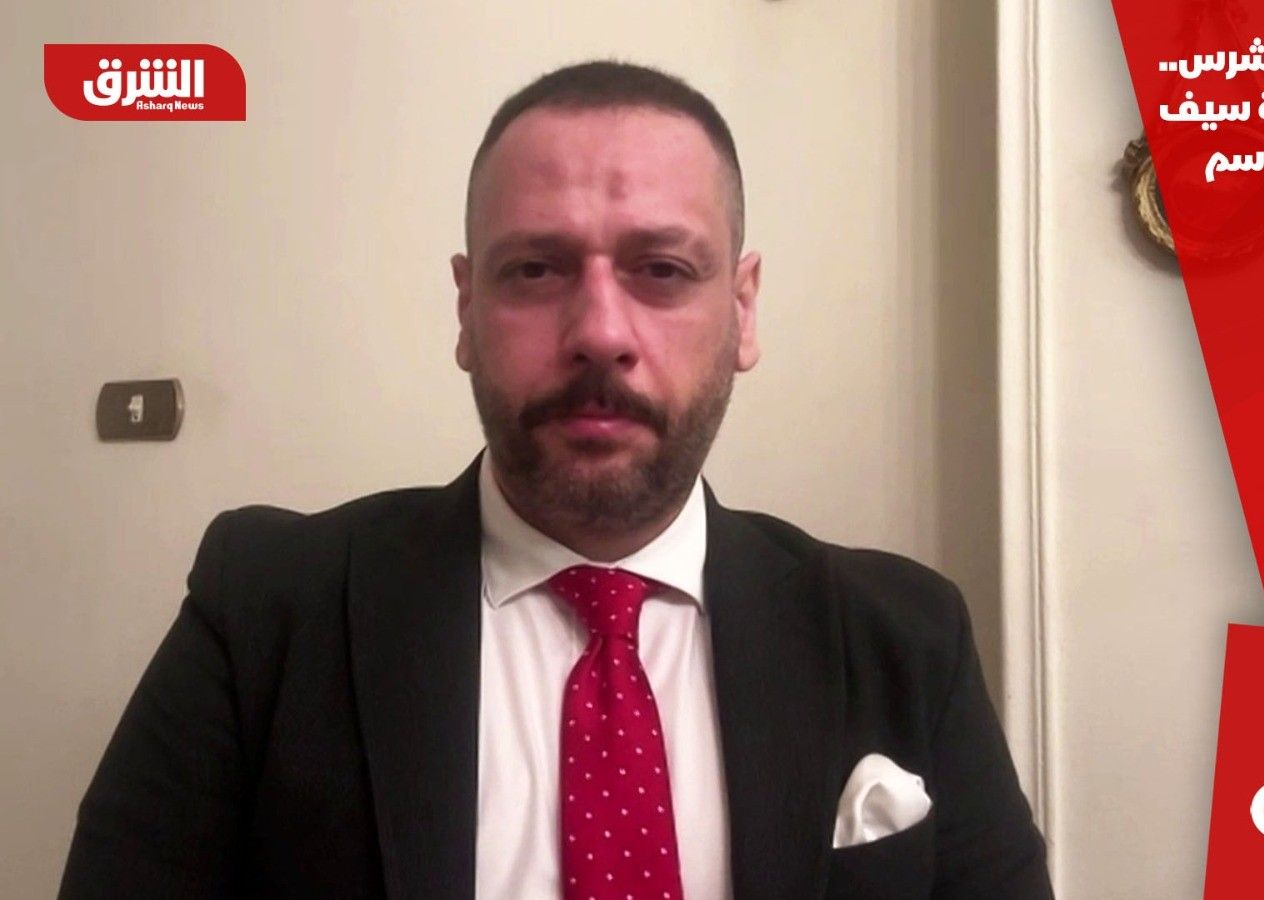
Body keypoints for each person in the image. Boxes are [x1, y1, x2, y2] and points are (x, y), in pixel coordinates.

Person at [59, 60, 1052, 900]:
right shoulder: (265, 611)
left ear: (743, 311)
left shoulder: (906, 638)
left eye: (662, 270)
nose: (600, 333)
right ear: (465, 310)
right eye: (536, 270)